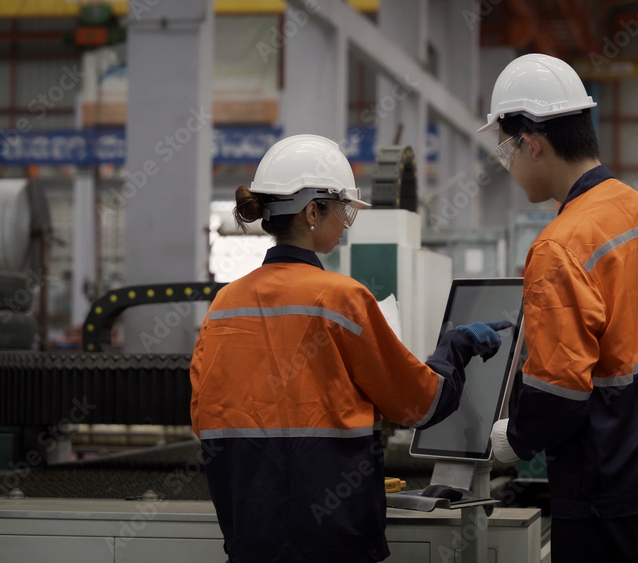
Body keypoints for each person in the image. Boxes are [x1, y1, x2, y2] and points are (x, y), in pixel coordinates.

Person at [189, 134, 510, 563]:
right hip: (335, 541)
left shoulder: (225, 305)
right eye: (342, 210)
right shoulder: (341, 298)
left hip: (250, 539)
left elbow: (203, 416)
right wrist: (456, 346)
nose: (345, 223)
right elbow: (420, 404)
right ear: (312, 211)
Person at [484, 54, 638, 562]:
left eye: (506, 151)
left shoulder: (560, 246)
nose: (508, 165)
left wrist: (511, 440)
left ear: (534, 145)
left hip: (612, 491)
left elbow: (559, 393)